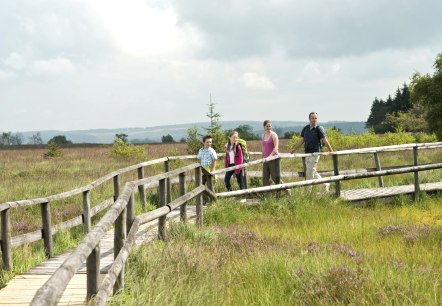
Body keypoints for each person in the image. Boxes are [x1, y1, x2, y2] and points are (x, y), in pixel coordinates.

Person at [290, 112, 333, 191]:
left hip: (315, 153)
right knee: (313, 171)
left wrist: (331, 151)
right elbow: (302, 140)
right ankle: (325, 184)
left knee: (309, 172)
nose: (314, 120)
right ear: (309, 119)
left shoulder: (319, 128)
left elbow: (325, 140)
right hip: (307, 153)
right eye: (313, 118)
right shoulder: (305, 128)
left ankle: (308, 192)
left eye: (315, 118)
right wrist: (294, 149)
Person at [261, 120, 281, 186]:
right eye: (267, 126)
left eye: (269, 126)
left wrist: (270, 156)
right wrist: (263, 157)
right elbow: (263, 147)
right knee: (265, 177)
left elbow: (276, 147)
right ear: (264, 126)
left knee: (274, 177)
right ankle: (266, 194)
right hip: (265, 159)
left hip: (273, 158)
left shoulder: (274, 135)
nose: (268, 127)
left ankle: (284, 189)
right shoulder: (263, 135)